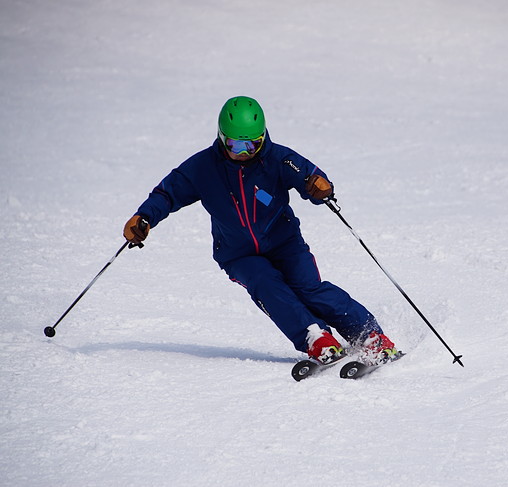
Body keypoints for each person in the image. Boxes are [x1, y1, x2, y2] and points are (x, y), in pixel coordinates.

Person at [123, 96, 399, 366]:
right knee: (267, 285)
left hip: (284, 242)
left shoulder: (278, 159)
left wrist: (319, 186)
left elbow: (309, 176)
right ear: (222, 137)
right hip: (238, 254)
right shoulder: (202, 168)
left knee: (310, 289)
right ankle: (315, 336)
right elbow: (167, 194)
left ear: (263, 137)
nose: (244, 152)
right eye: (236, 144)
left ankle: (369, 336)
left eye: (252, 144)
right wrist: (144, 217)